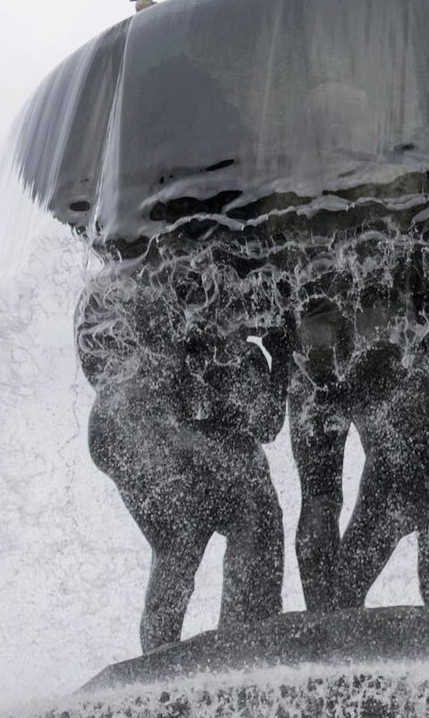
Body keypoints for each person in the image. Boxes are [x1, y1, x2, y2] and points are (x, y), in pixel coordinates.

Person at [78, 266, 289, 652]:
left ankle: (162, 656)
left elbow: (266, 424)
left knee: (178, 543)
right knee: (247, 491)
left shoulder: (240, 356)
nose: (249, 321)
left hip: (124, 430)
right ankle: (242, 639)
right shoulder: (182, 305)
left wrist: (280, 359)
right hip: (138, 423)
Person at [289, 302, 429, 612]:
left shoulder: (379, 328)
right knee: (344, 600)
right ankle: (327, 629)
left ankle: (326, 626)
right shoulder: (386, 327)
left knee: (321, 505)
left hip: (425, 486)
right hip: (396, 484)